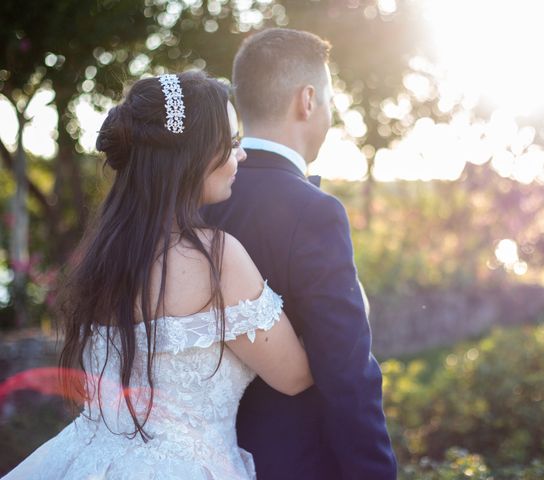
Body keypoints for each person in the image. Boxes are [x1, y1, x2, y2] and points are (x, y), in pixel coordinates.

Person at [2, 71, 313, 479]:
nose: (242, 156)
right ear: (194, 155)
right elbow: (295, 376)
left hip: (85, 461)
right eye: (232, 143)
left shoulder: (104, 255)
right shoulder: (216, 258)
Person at [202, 28, 398, 480]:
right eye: (329, 100)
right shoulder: (315, 212)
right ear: (307, 100)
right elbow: (348, 376)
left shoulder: (189, 197)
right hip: (292, 463)